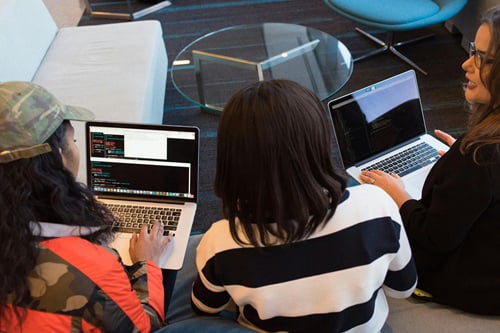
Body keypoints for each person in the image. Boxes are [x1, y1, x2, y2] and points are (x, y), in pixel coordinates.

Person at [190, 79, 417, 332]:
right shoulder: (378, 205)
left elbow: (204, 307)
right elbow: (403, 288)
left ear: (232, 159)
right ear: (319, 143)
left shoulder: (221, 242)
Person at [359, 6, 500, 315]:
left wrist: (398, 195)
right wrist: (458, 170)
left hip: (477, 285)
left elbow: (434, 240)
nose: (466, 64)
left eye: (483, 59)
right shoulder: (480, 155)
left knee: (366, 216)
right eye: (473, 51)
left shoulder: (479, 156)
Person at [0, 81, 171, 332]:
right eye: (74, 140)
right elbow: (143, 326)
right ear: (58, 157)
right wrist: (148, 264)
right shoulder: (94, 273)